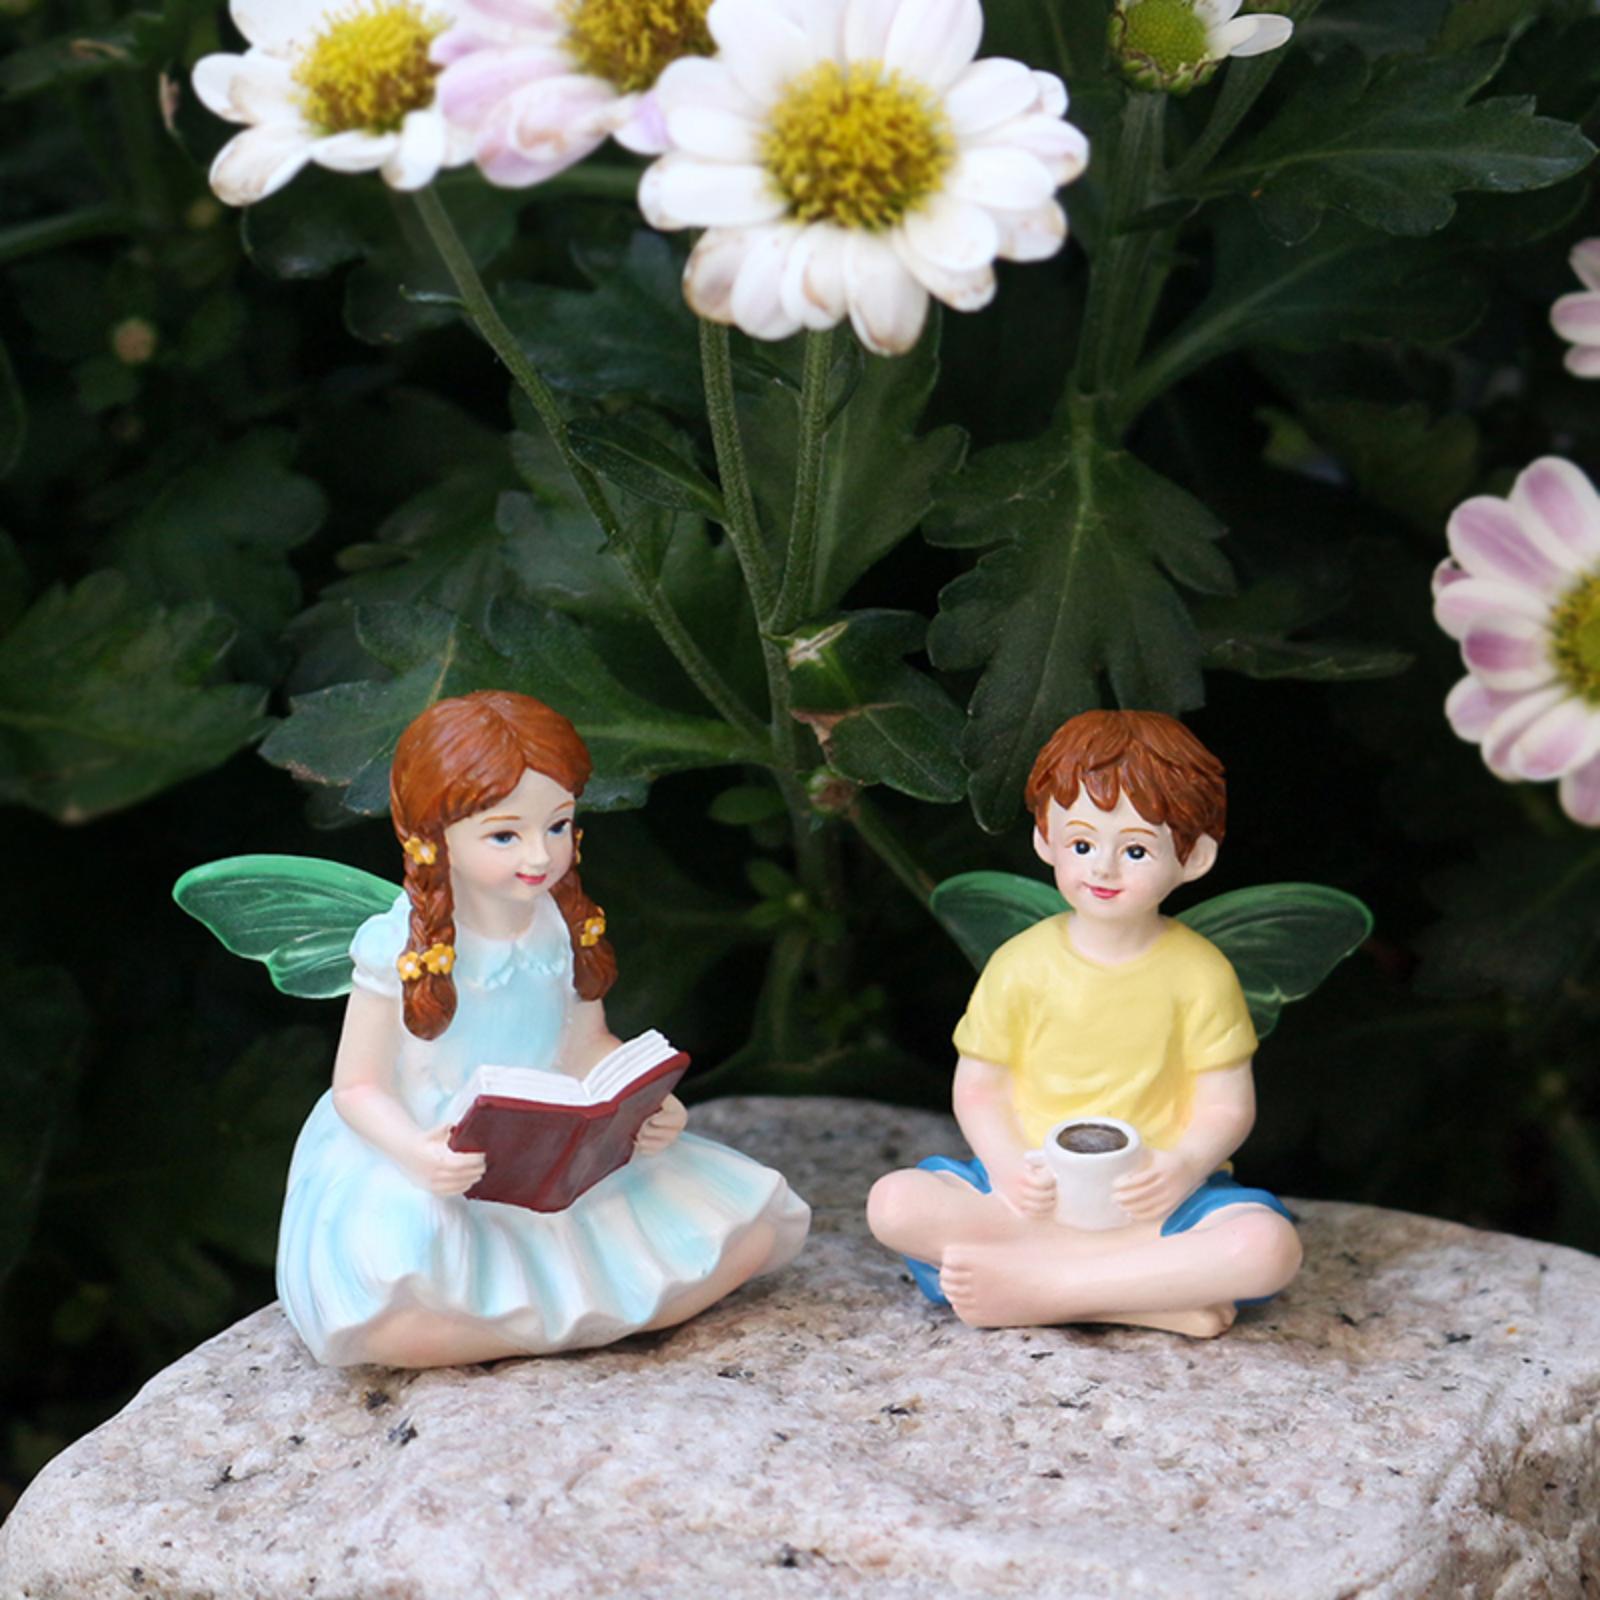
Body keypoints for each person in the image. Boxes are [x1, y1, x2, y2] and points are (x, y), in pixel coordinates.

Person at [276, 690, 810, 1366]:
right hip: (438, 1150)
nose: (540, 855)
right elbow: (356, 1088)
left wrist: (642, 1103)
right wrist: (418, 1154)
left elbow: (584, 1042)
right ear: (434, 837)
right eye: (505, 835)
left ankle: (548, 1318)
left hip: (549, 1138)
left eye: (557, 826)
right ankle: (538, 1319)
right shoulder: (396, 947)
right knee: (393, 1299)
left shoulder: (559, 923)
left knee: (745, 1235)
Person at [865, 710, 1301, 1337]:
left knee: (1265, 1248)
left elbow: (1226, 1104)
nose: (1103, 869)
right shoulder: (1021, 963)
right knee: (894, 1203)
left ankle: (1047, 1289)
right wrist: (1008, 1166)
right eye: (1081, 844)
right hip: (1029, 1199)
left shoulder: (1201, 973)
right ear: (1045, 840)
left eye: (1135, 850)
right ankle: (1149, 1295)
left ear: (1195, 857)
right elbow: (980, 1087)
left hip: (1154, 1206)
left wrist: (1181, 1165)